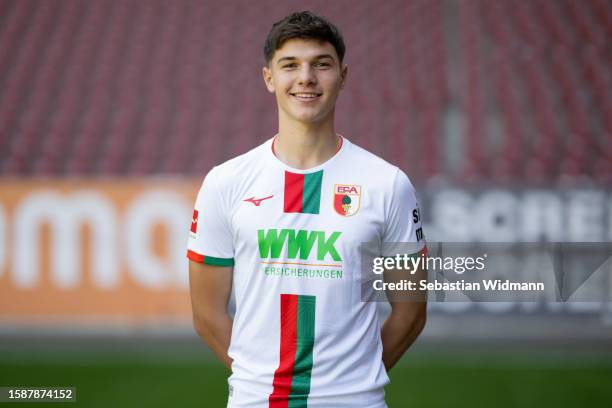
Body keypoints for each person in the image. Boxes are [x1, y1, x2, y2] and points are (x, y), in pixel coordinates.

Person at [188, 10, 426, 408]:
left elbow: (412, 312)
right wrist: (256, 382)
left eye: (321, 64)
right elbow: (206, 313)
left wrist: (354, 382)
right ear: (269, 78)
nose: (306, 78)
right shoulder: (225, 182)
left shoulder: (388, 184)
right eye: (290, 65)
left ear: (343, 76)